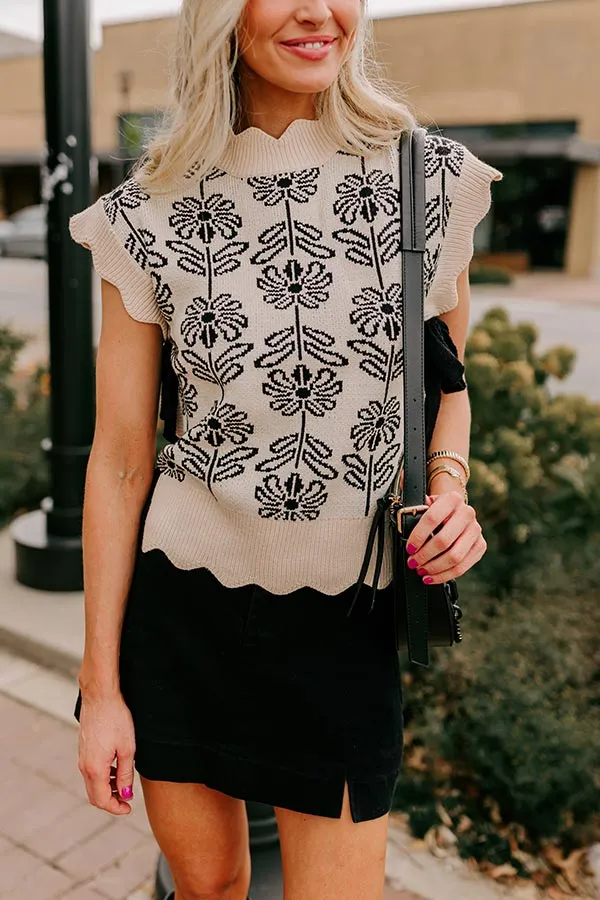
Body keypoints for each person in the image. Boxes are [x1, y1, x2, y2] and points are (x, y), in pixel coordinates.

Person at [70, 1, 502, 898]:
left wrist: (452, 490)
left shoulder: (429, 179)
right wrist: (101, 691)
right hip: (181, 614)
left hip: (347, 622)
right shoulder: (146, 213)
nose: (317, 9)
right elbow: (120, 462)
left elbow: (448, 391)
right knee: (209, 893)